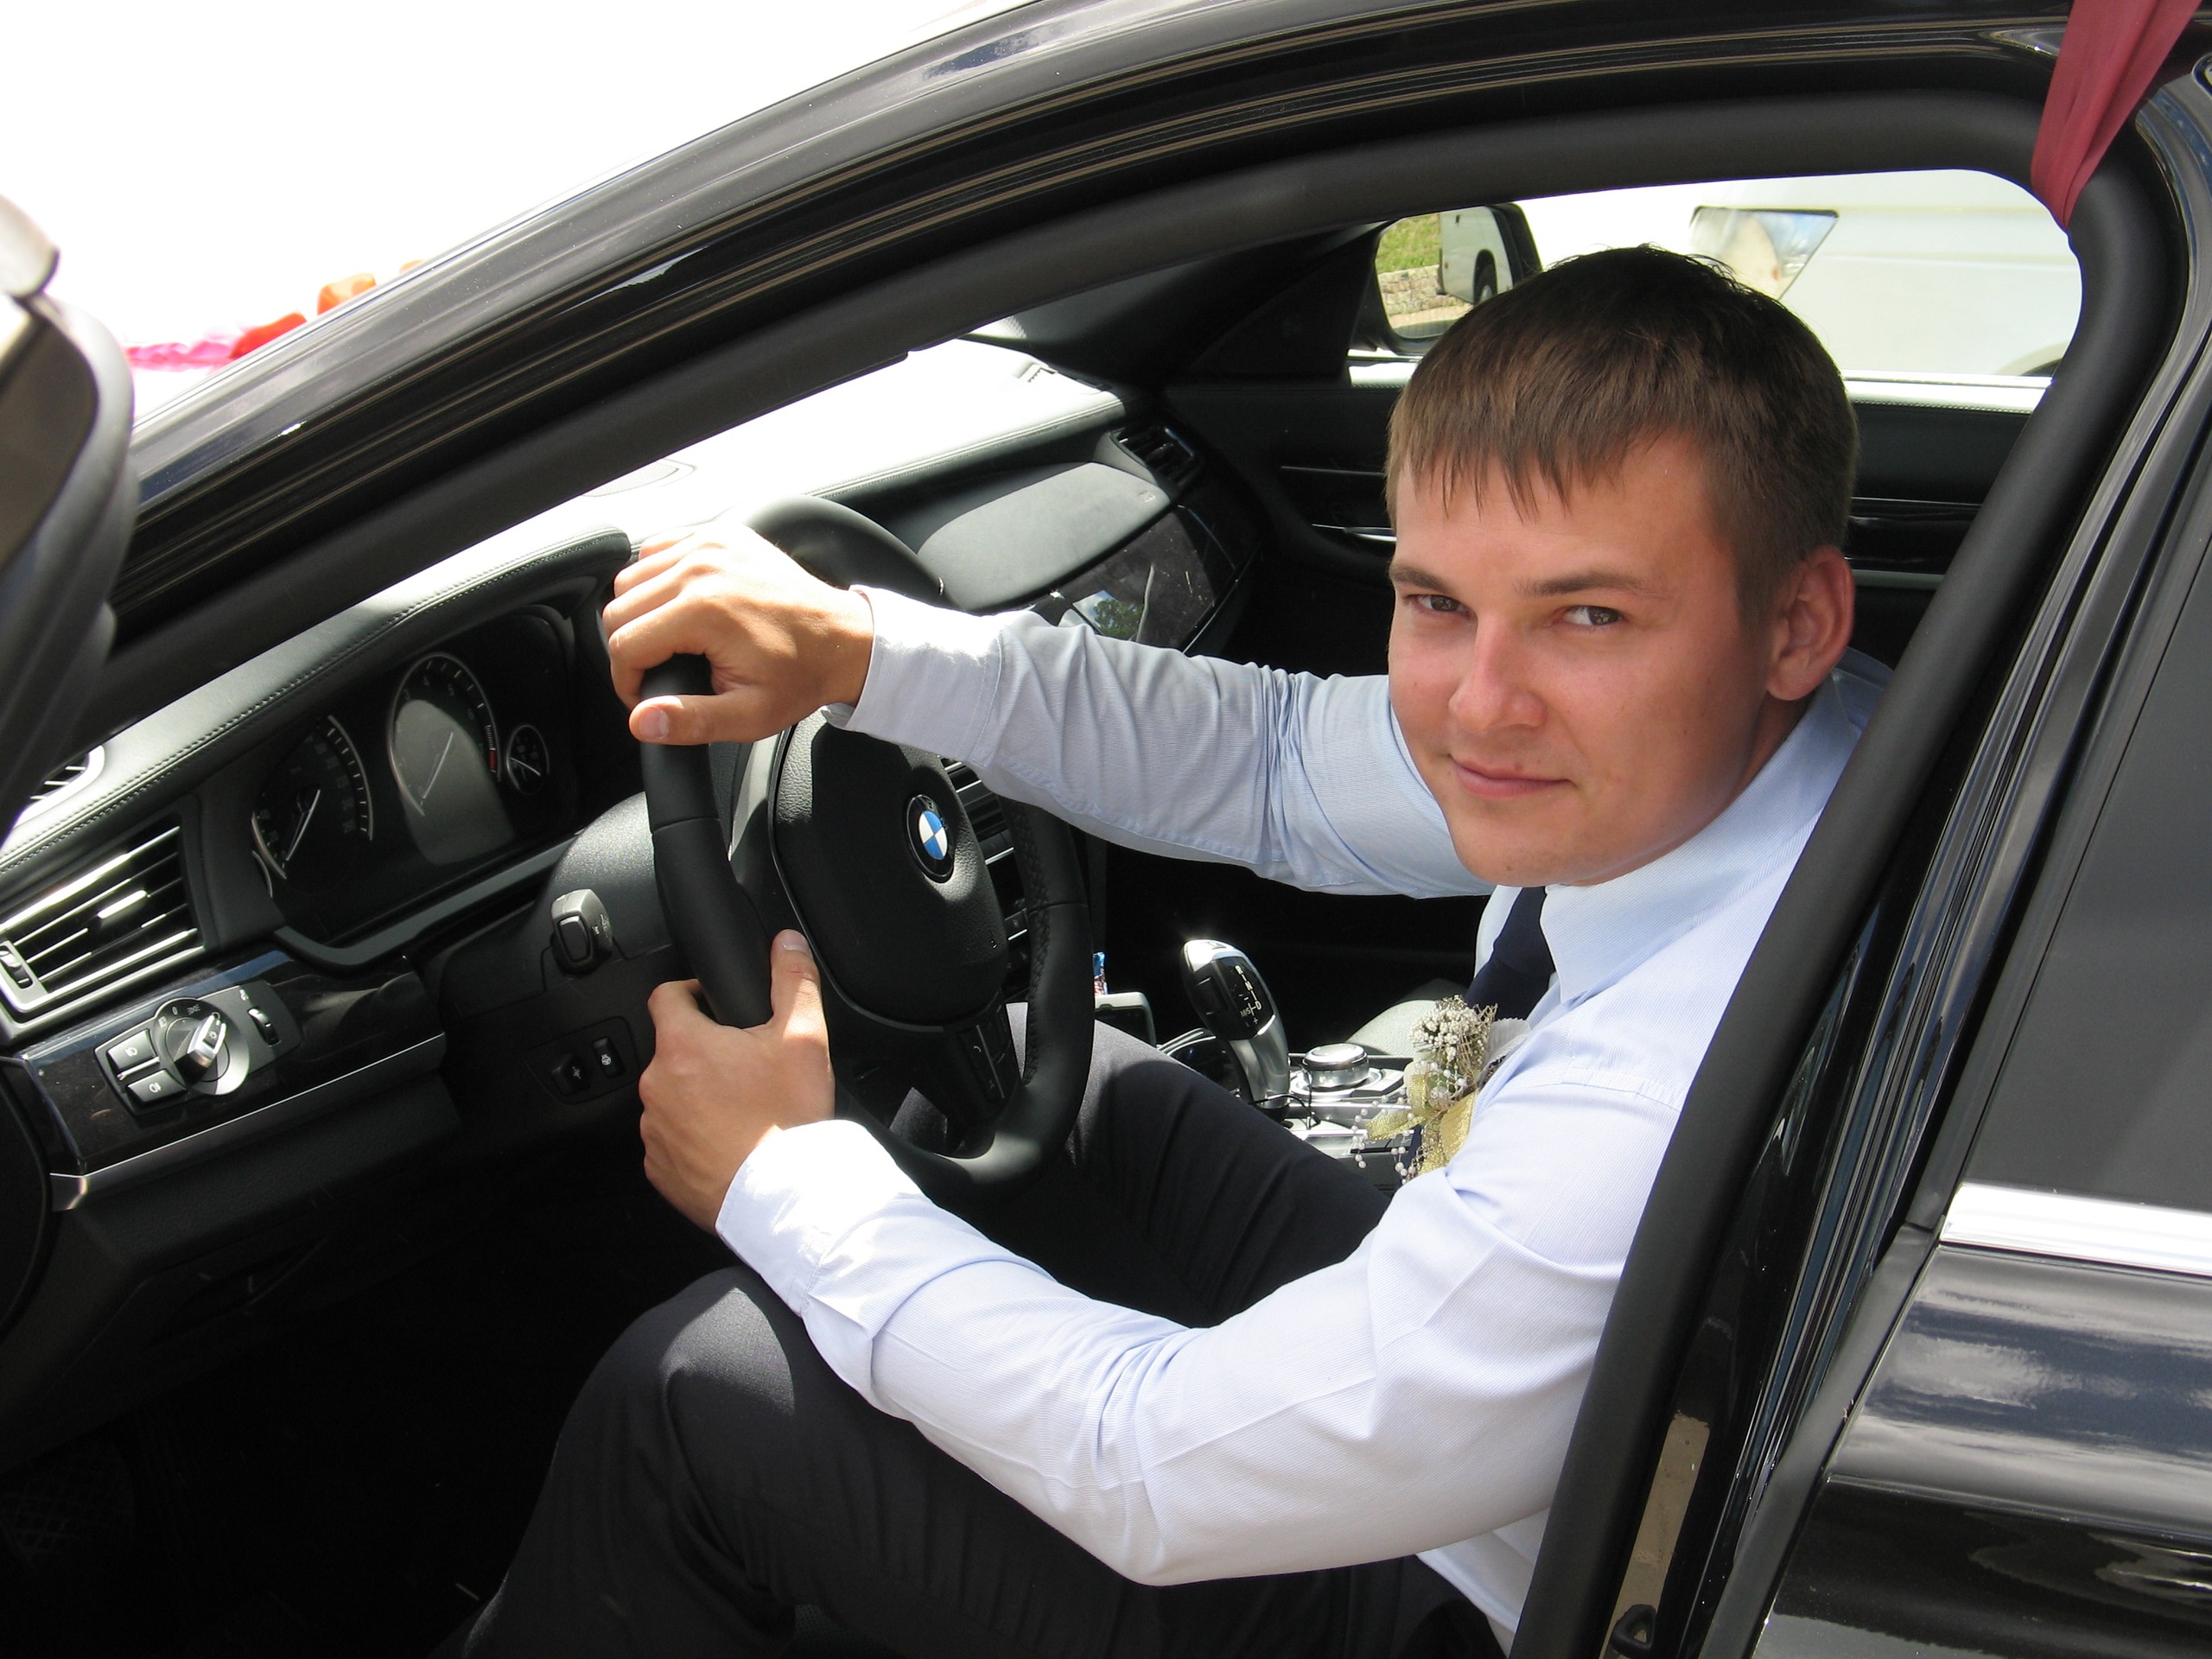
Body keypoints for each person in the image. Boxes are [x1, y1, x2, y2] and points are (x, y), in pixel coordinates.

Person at [464, 246, 1873, 1659]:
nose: (1477, 706)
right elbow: (1273, 760)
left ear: (1797, 625)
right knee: (1057, 1084)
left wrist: (780, 1178)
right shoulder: (1785, 755)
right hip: (1562, 1454)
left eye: (1590, 615)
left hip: (1510, 1601)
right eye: (1438, 601)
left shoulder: (1646, 1106)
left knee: (696, 1398)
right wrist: (861, 651)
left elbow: (1145, 1466)